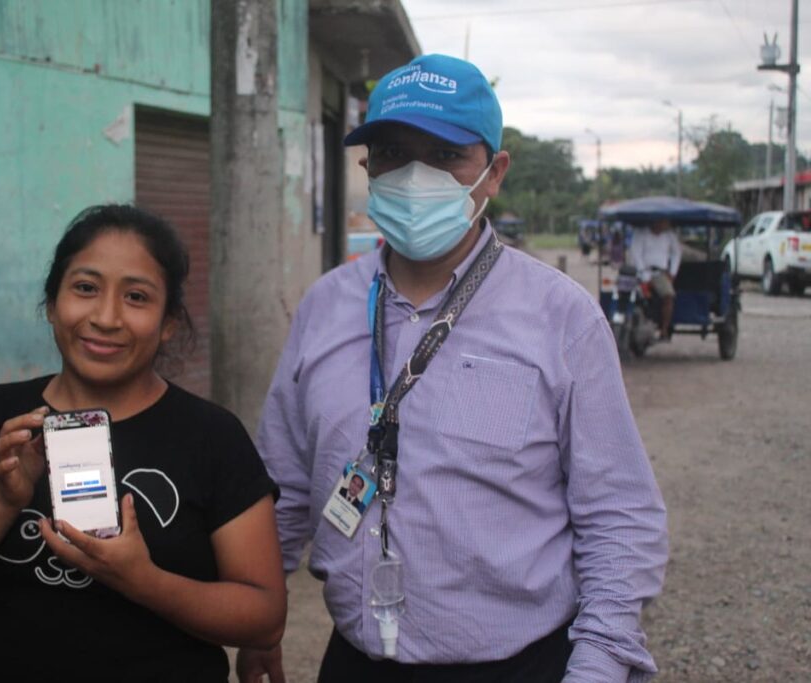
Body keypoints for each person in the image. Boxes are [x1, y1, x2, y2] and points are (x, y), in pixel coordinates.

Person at [238, 54, 667, 683]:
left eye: (444, 156)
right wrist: (259, 620)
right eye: (391, 152)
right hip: (355, 660)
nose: (415, 177)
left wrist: (599, 664)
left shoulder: (562, 318)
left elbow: (617, 515)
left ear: (494, 173)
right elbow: (284, 486)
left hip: (518, 666)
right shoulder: (324, 308)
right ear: (366, 166)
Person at [0, 204, 286, 682]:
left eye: (136, 297)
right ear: (52, 302)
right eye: (85, 288)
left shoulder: (212, 436)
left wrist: (145, 582)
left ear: (168, 323)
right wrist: (1, 500)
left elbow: (265, 617)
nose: (106, 317)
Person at [629, 218, 682, 340]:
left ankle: (664, 329)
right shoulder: (641, 233)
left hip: (659, 273)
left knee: (668, 296)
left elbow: (676, 253)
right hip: (640, 272)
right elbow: (636, 253)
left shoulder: (669, 236)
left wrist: (672, 272)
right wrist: (643, 273)